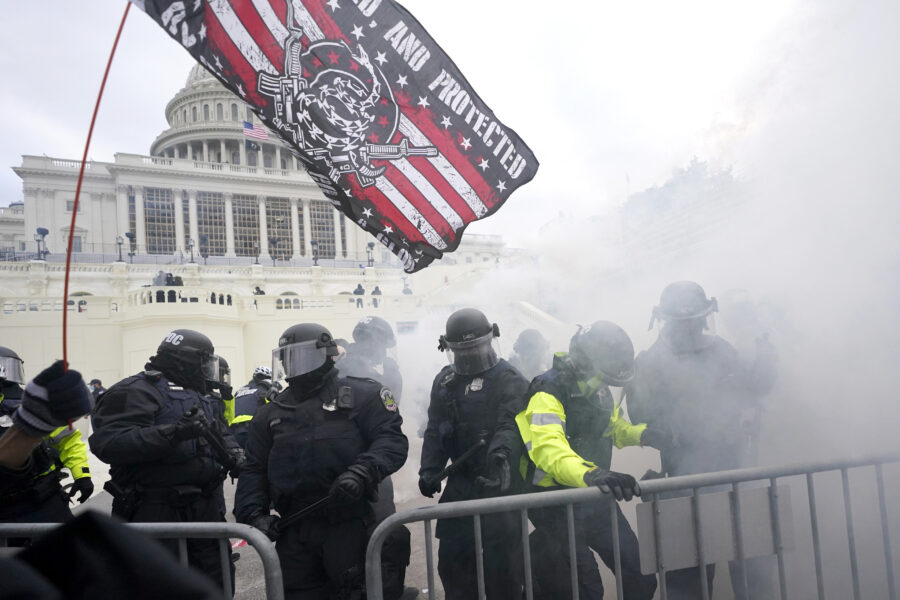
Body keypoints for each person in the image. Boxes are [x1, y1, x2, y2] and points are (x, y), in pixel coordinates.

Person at [626, 281, 778, 600]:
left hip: (734, 477)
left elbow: (748, 390)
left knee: (751, 571)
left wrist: (764, 368)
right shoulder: (651, 362)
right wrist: (673, 428)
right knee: (686, 582)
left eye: (696, 319)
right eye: (684, 321)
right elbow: (640, 414)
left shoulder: (720, 349)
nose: (692, 327)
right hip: (682, 483)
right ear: (667, 321)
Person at [234, 323, 408, 600]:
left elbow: (391, 441)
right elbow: (254, 468)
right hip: (294, 531)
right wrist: (253, 514)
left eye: (301, 357)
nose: (294, 366)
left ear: (325, 355)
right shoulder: (270, 413)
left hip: (348, 523)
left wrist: (361, 473)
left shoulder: (363, 395)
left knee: (354, 592)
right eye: (288, 359)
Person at [90, 329, 243, 592]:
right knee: (158, 588)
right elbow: (109, 442)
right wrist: (173, 433)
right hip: (154, 511)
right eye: (203, 362)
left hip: (205, 509)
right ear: (185, 361)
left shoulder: (197, 395)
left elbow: (219, 431)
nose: (207, 371)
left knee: (217, 583)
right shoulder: (135, 390)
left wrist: (235, 452)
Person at [516, 321, 658, 600]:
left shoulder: (598, 388)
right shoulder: (548, 391)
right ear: (587, 364)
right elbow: (550, 450)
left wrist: (644, 434)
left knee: (639, 575)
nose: (607, 386)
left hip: (593, 496)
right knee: (584, 589)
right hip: (554, 502)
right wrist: (593, 474)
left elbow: (613, 428)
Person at [418, 308, 529, 600]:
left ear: (491, 340)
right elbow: (435, 430)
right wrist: (429, 469)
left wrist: (500, 461)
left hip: (499, 484)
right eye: (462, 350)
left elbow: (511, 425)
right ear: (450, 349)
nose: (470, 355)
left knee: (503, 574)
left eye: (477, 347)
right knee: (454, 567)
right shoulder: (445, 382)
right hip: (461, 484)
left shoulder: (510, 378)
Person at [338, 316, 412, 599]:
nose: (381, 349)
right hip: (354, 464)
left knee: (386, 533)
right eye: (379, 342)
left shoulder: (385, 368)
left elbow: (392, 410)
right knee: (370, 536)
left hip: (376, 464)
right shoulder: (344, 368)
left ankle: (387, 590)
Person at [0, 353, 95, 526]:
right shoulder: (31, 403)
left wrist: (82, 475)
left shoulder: (29, 402)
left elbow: (68, 440)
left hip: (42, 496)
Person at [229, 365, 278, 449]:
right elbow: (273, 409)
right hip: (251, 430)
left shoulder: (240, 391)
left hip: (233, 432)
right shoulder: (263, 391)